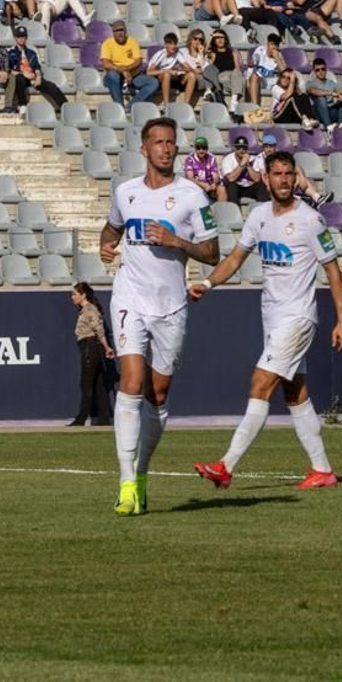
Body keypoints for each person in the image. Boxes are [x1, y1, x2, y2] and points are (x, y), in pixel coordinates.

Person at [192, 151, 342, 492]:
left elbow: (333, 271)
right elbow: (235, 257)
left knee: (260, 382)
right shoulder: (259, 215)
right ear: (265, 179)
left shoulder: (310, 220)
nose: (283, 180)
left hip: (298, 317)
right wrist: (207, 284)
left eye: (288, 174)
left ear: (295, 178)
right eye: (277, 174)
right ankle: (322, 470)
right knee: (295, 393)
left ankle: (225, 465)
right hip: (273, 317)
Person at [99, 117, 220, 516]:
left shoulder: (193, 197)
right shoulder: (126, 191)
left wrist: (176, 241)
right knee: (131, 382)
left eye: (171, 143)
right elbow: (110, 229)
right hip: (129, 297)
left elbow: (212, 253)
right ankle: (125, 482)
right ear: (144, 149)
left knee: (159, 394)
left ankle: (143, 471)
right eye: (159, 143)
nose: (166, 149)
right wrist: (105, 246)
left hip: (170, 305)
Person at [69, 282, 115, 427]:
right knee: (99, 385)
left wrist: (107, 347)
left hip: (91, 348)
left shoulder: (90, 310)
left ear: (83, 295)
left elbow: (99, 330)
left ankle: (81, 418)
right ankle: (104, 417)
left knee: (86, 384)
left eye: (75, 294)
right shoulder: (85, 310)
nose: (72, 297)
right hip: (91, 348)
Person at [219, 137, 266, 206]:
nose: (241, 150)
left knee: (261, 185)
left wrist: (248, 165)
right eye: (238, 148)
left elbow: (257, 179)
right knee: (231, 185)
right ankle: (235, 212)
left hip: (249, 187)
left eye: (244, 148)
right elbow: (231, 178)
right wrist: (241, 165)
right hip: (236, 187)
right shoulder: (228, 159)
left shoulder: (254, 159)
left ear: (247, 149)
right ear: (235, 148)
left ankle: (262, 210)